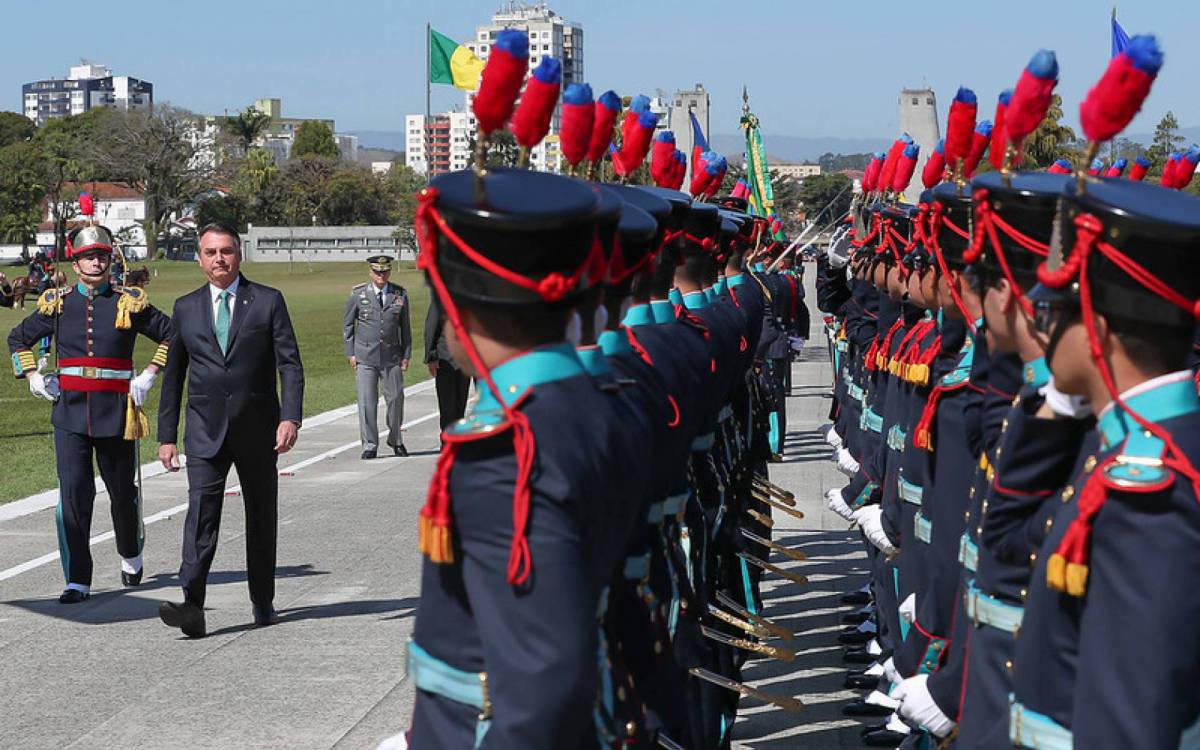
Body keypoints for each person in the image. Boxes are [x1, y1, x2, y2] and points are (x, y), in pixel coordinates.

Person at [7, 225, 172, 603]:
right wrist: (33, 375)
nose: (95, 262)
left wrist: (149, 375)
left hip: (116, 412)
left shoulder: (129, 302)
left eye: (101, 255)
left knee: (122, 495)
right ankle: (78, 578)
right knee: (74, 497)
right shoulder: (58, 303)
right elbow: (18, 338)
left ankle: (131, 553)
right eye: (87, 256)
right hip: (70, 413)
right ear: (76, 262)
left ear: (110, 260)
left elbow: (173, 334)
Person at [156, 222, 304, 638]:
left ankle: (263, 600)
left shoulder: (268, 301)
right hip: (204, 432)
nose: (218, 259)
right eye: (210, 252)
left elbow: (290, 364)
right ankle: (192, 605)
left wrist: (290, 416)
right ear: (199, 259)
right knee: (201, 516)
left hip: (258, 430)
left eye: (226, 251)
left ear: (239, 254)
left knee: (261, 516)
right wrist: (166, 436)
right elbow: (174, 377)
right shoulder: (185, 308)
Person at [344, 255, 411, 459]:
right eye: (377, 271)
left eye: (384, 271)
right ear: (370, 272)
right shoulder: (358, 294)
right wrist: (351, 353)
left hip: (391, 355)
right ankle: (370, 445)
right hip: (365, 356)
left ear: (389, 272)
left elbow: (405, 329)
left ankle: (396, 439)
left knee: (396, 399)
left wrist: (406, 355)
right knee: (366, 402)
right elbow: (348, 326)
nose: (381, 275)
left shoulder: (399, 294)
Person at [423, 295, 470, 432]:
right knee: (447, 408)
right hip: (445, 359)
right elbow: (431, 327)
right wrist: (431, 357)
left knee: (460, 407)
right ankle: (447, 443)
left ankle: (458, 444)